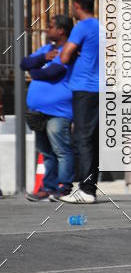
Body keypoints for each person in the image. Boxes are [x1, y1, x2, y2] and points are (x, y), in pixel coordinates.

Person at [20, 15, 75, 202]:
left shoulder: (69, 51)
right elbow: (24, 64)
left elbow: (53, 72)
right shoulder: (46, 50)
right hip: (39, 112)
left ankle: (65, 187)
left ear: (61, 30)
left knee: (61, 150)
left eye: (50, 27)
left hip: (59, 111)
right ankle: (48, 188)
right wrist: (43, 58)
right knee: (46, 152)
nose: (46, 30)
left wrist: (36, 71)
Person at [60, 0, 100, 204]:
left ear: (77, 6)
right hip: (100, 88)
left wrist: (71, 53)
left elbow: (65, 56)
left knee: (82, 138)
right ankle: (90, 188)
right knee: (93, 139)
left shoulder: (82, 27)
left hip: (84, 88)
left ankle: (85, 190)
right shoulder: (101, 28)